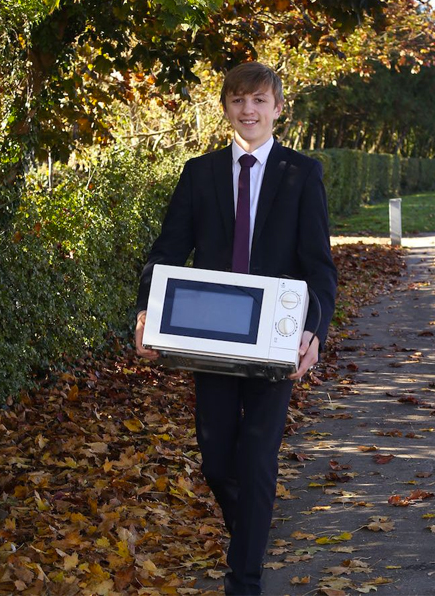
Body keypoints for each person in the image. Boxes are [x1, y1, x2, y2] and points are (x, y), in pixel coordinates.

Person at [134, 61, 337, 595]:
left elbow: (319, 267)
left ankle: (244, 580)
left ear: (277, 109)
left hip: (276, 337)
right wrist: (145, 313)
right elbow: (167, 252)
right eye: (238, 100)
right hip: (210, 337)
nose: (248, 110)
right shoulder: (198, 173)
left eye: (259, 101)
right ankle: (250, 532)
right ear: (225, 107)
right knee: (217, 458)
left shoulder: (302, 173)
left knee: (257, 455)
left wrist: (312, 334)